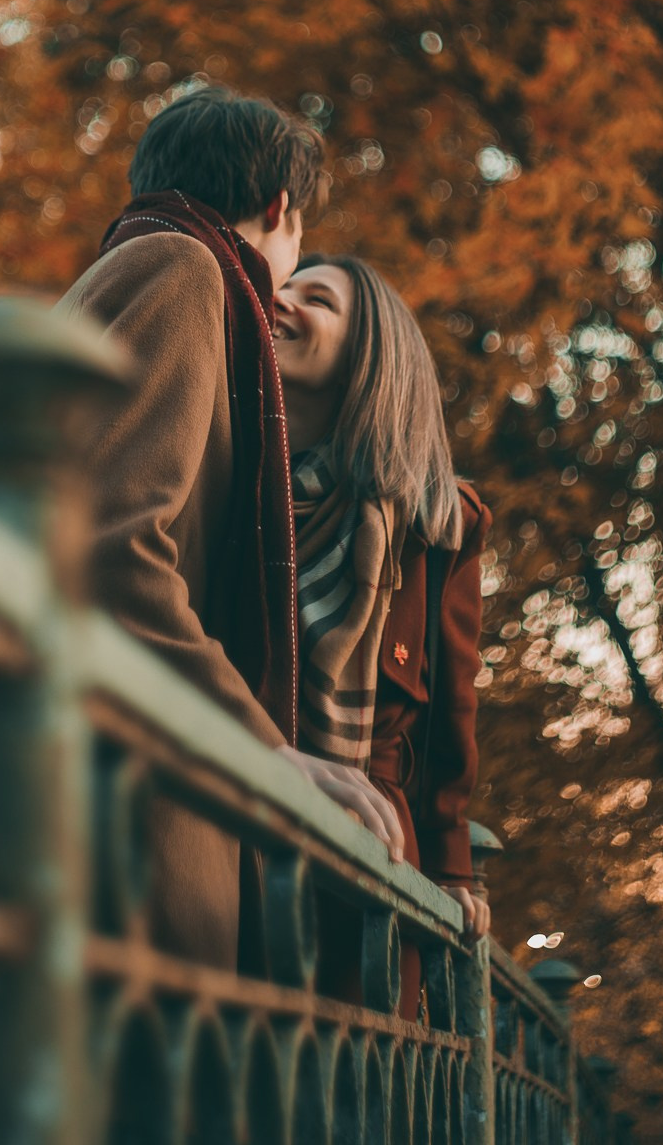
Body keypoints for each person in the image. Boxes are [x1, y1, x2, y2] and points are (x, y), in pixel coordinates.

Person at [57, 88, 402, 968]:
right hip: (125, 816)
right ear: (280, 209)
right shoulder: (183, 270)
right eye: (298, 251)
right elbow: (114, 555)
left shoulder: (140, 265)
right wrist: (263, 752)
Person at [273, 252, 490, 1015]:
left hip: (371, 850)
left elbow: (449, 714)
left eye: (317, 298)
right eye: (283, 285)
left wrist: (455, 869)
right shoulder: (238, 484)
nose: (280, 299)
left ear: (370, 356)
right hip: (243, 814)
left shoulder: (439, 522)